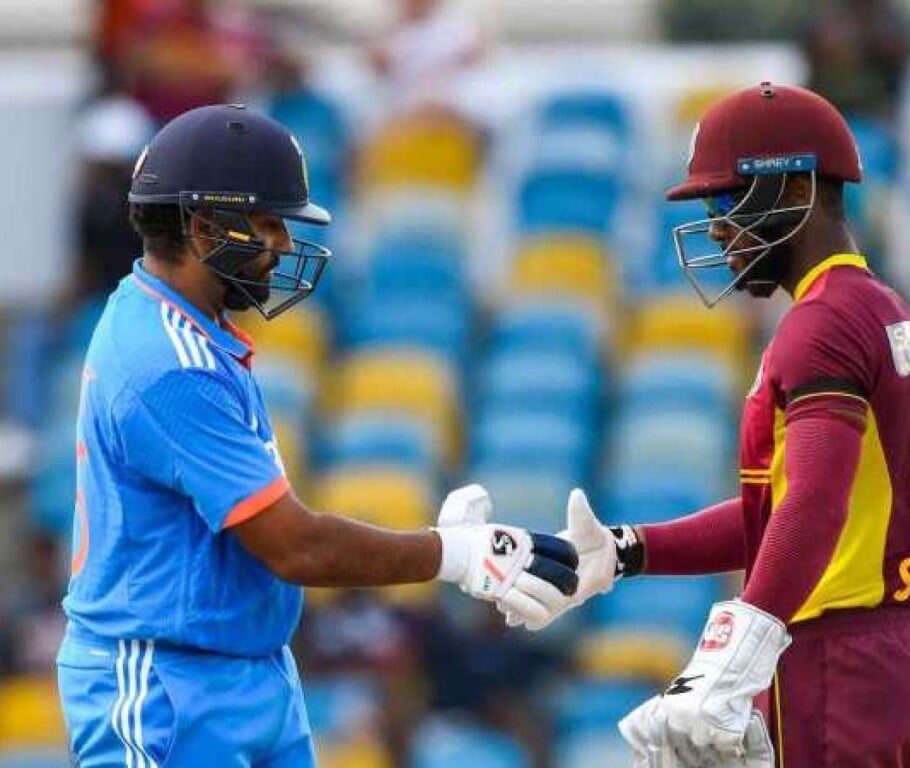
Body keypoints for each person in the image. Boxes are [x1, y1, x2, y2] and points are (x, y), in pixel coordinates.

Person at [56, 103, 578, 768]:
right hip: (165, 685)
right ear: (204, 224)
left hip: (245, 669)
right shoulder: (167, 362)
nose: (280, 242)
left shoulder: (190, 330)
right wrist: (455, 554)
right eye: (267, 222)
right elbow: (294, 548)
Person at [499, 83, 910, 768]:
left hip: (845, 664)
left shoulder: (820, 324)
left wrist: (734, 653)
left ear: (797, 189)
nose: (717, 227)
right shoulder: (880, 306)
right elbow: (792, 506)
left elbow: (812, 503)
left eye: (726, 201)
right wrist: (629, 549)